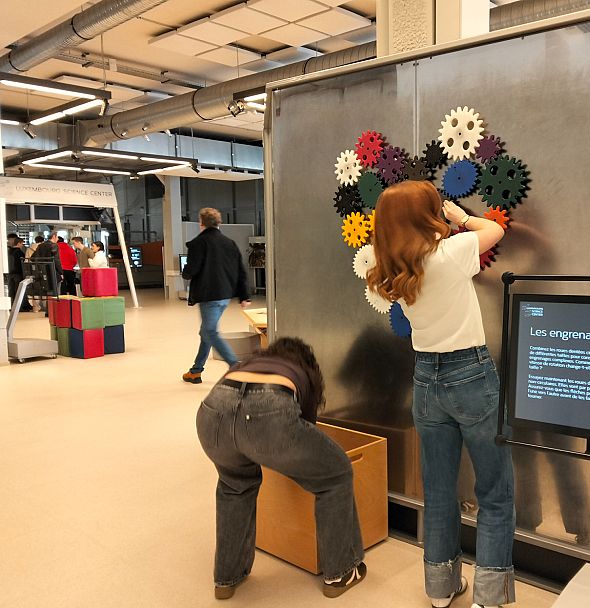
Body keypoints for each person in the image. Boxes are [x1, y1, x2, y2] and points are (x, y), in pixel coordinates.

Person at [366, 181, 515, 608]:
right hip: (471, 374)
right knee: (494, 490)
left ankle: (440, 588)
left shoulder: (387, 269)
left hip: (426, 380)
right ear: (428, 215)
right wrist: (460, 217)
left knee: (437, 490)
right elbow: (495, 230)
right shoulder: (451, 253)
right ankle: (489, 597)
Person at [195, 337, 366, 600]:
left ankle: (227, 579)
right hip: (267, 411)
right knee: (336, 473)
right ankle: (340, 572)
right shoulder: (301, 373)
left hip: (212, 411)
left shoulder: (250, 362)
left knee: (234, 486)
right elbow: (304, 430)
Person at [181, 208, 250, 384]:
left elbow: (191, 270)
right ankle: (196, 371)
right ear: (218, 222)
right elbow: (240, 270)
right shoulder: (229, 243)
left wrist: (185, 272)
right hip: (225, 296)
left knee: (210, 331)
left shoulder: (198, 243)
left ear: (201, 223)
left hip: (209, 295)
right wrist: (244, 295)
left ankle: (235, 366)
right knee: (206, 331)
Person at [7, 237, 32, 311]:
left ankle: (12, 306)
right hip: (18, 274)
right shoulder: (19, 253)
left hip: (10, 274)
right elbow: (22, 264)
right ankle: (20, 307)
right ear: (18, 243)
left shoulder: (9, 252)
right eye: (22, 244)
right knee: (19, 291)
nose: (22, 245)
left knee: (11, 291)